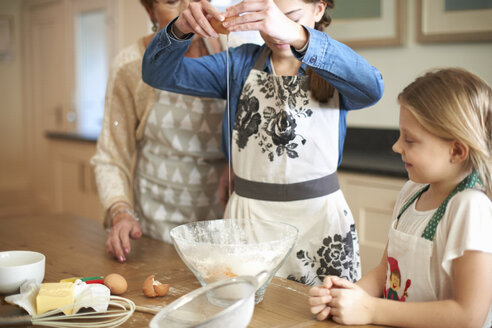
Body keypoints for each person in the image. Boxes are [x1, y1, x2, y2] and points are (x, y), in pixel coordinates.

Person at [141, 0, 384, 285]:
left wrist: (298, 35)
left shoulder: (335, 66)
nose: (276, 31)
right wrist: (181, 28)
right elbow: (156, 73)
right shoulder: (238, 64)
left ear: (318, 10)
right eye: (269, 19)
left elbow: (373, 88)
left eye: (290, 18)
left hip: (321, 223)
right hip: (250, 221)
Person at [308, 68, 492, 328]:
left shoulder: (470, 207)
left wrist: (371, 310)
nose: (396, 146)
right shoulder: (411, 192)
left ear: (457, 150)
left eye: (410, 140)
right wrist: (347, 296)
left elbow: (468, 316)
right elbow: (386, 271)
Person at [91, 0, 243, 263]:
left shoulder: (234, 56)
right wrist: (121, 211)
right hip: (157, 226)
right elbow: (110, 157)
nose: (187, 10)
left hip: (224, 220)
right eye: (172, 1)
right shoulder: (131, 64)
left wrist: (237, 166)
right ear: (150, 11)